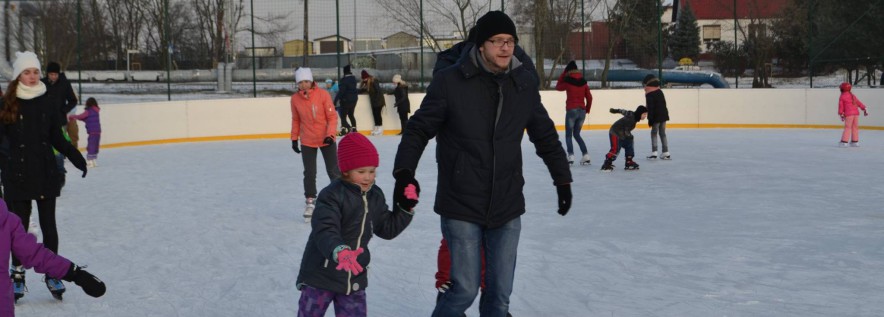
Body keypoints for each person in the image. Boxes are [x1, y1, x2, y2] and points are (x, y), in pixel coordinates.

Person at [392, 11, 572, 317]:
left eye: (510, 41)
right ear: (480, 45)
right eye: (497, 41)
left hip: (507, 201)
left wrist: (562, 180)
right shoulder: (450, 82)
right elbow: (419, 128)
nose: (505, 47)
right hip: (461, 201)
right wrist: (404, 173)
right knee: (464, 288)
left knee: (499, 296)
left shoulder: (523, 83)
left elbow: (544, 135)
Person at [296, 132, 418, 317]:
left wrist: (405, 208)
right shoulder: (332, 195)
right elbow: (325, 229)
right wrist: (340, 251)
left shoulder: (375, 195)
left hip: (354, 275)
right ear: (346, 170)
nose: (368, 177)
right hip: (322, 274)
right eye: (361, 172)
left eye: (371, 171)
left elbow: (387, 228)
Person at [0, 51, 88, 301]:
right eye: (27, 72)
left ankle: (52, 271)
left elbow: (56, 137)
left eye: (35, 72)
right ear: (18, 75)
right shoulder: (7, 103)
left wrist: (74, 154)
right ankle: (17, 272)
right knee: (19, 227)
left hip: (45, 171)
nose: (32, 76)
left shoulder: (48, 101)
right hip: (16, 174)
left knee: (49, 225)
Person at [0, 199, 105, 313]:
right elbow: (35, 253)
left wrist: (75, 273)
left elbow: (34, 253)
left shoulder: (7, 221)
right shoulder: (7, 220)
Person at [290, 67, 340, 222]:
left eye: (306, 81)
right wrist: (294, 138)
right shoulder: (295, 99)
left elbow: (332, 117)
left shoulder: (323, 95)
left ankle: (339, 200)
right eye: (300, 82)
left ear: (311, 81)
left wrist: (331, 135)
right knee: (310, 173)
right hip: (307, 140)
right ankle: (310, 201)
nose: (304, 85)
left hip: (326, 138)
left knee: (334, 171)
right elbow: (296, 119)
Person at [41, 62, 79, 188]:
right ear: (47, 74)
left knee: (58, 150)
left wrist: (63, 110)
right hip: (44, 122)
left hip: (59, 122)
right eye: (51, 74)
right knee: (45, 149)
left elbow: (73, 100)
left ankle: (60, 174)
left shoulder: (64, 84)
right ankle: (48, 174)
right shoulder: (41, 84)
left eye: (55, 74)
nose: (53, 77)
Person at [555, 60, 593, 166]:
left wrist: (563, 73)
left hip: (571, 110)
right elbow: (589, 97)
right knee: (576, 134)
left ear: (568, 71)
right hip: (582, 111)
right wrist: (587, 109)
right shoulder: (583, 81)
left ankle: (570, 156)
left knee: (568, 135)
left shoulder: (567, 81)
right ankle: (585, 155)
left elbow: (558, 87)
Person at [601, 106, 648, 171]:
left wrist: (616, 110)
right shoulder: (631, 119)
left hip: (622, 134)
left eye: (646, 114)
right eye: (644, 114)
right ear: (640, 113)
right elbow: (626, 131)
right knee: (615, 149)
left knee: (629, 143)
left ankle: (629, 161)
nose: (645, 116)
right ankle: (607, 163)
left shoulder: (631, 114)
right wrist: (630, 136)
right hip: (615, 132)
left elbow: (623, 111)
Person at [642, 74, 670, 160]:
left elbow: (651, 107)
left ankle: (654, 153)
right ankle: (666, 152)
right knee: (662, 133)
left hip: (656, 116)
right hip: (663, 114)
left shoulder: (649, 93)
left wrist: (650, 118)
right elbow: (664, 104)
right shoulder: (659, 90)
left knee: (654, 133)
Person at [69, 97, 102, 167]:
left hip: (92, 132)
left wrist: (72, 116)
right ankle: (94, 160)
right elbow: (87, 119)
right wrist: (77, 118)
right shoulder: (96, 111)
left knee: (91, 146)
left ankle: (90, 161)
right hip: (98, 132)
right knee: (95, 146)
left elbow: (81, 116)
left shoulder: (88, 111)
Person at [837, 82, 868, 147]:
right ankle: (855, 142)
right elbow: (859, 103)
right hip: (856, 114)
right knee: (855, 127)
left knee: (848, 127)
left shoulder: (842, 96)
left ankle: (844, 142)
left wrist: (841, 113)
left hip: (849, 115)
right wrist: (864, 108)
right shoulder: (852, 95)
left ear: (842, 89)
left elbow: (841, 106)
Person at [359, 70, 386, 136]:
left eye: (365, 78)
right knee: (375, 114)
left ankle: (380, 129)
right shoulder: (367, 83)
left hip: (379, 101)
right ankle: (376, 128)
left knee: (378, 115)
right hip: (374, 102)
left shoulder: (374, 81)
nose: (364, 80)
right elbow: (363, 90)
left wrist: (376, 99)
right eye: (363, 79)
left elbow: (378, 91)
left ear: (367, 77)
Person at [334, 65, 359, 134]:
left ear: (344, 72)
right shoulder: (354, 79)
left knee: (343, 116)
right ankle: (354, 128)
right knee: (351, 114)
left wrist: (335, 100)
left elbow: (341, 92)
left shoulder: (344, 80)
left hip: (346, 100)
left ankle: (346, 129)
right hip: (354, 100)